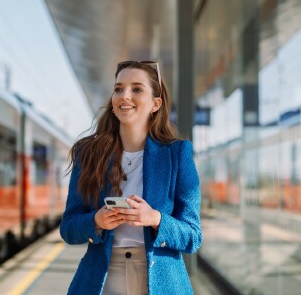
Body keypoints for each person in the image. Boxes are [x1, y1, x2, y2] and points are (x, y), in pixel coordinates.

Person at [60, 61, 202, 295]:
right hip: (101, 281)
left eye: (137, 89)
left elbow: (193, 236)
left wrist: (155, 218)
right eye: (118, 89)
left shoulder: (178, 153)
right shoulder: (88, 154)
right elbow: (68, 228)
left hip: (161, 282)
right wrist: (96, 221)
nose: (124, 95)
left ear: (156, 104)